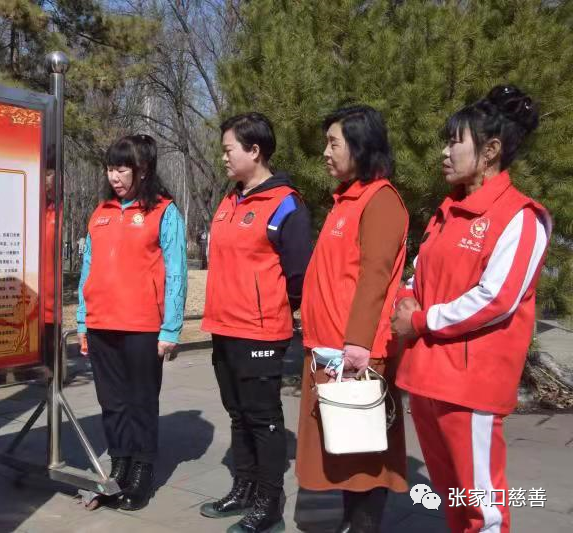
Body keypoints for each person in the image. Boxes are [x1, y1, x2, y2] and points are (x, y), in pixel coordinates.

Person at [392, 85, 550, 533]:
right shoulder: (449, 211)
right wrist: (406, 296)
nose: (444, 153)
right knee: (454, 497)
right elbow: (420, 273)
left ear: (490, 151)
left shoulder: (521, 217)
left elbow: (496, 299)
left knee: (482, 506)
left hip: (470, 384)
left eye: (454, 142)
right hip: (428, 376)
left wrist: (420, 320)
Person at [296, 105, 410, 533]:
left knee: (364, 456)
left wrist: (359, 343)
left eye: (334, 143)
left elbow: (375, 276)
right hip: (328, 349)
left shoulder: (381, 200)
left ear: (360, 146)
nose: (326, 152)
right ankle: (349, 522)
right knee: (340, 449)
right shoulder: (346, 199)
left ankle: (364, 527)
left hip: (356, 354)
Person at [200, 112, 312, 533]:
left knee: (263, 419)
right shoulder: (230, 200)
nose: (223, 156)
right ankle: (243, 490)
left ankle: (269, 504)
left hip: (260, 331)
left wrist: (270, 307)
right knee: (237, 414)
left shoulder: (286, 203)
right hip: (224, 327)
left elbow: (298, 275)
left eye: (229, 149)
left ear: (254, 150)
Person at [76, 134, 187, 511]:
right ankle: (119, 464)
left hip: (143, 326)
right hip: (101, 323)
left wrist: (170, 328)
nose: (115, 176)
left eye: (122, 169)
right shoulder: (101, 212)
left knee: (140, 401)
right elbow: (88, 267)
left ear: (144, 170)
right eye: (110, 168)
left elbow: (176, 271)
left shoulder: (164, 211)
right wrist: (82, 319)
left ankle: (141, 471)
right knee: (111, 402)